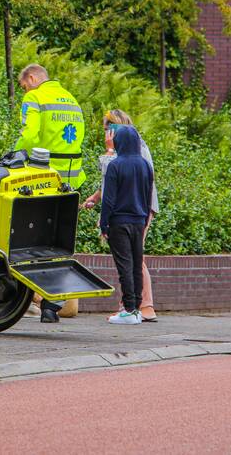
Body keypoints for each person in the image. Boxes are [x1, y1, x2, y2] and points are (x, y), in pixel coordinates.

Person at [14, 64, 86, 323]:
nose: (25, 89)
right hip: (70, 181)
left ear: (32, 79)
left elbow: (30, 135)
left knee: (32, 239)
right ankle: (53, 304)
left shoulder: (34, 97)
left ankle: (32, 301)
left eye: (24, 85)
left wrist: (13, 155)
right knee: (60, 242)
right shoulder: (72, 100)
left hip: (43, 178)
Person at [83, 110, 159, 321]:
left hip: (130, 212)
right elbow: (115, 181)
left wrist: (104, 222)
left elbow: (117, 179)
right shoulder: (133, 152)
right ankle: (134, 306)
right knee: (133, 259)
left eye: (108, 129)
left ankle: (139, 307)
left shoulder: (131, 151)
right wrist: (96, 197)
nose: (106, 134)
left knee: (131, 260)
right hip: (139, 211)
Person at [98, 125, 155, 325]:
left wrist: (103, 224)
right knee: (136, 264)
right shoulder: (145, 165)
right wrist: (145, 216)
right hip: (139, 221)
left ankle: (129, 309)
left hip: (119, 222)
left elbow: (109, 200)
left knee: (125, 266)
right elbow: (148, 193)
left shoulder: (116, 165)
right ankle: (137, 308)